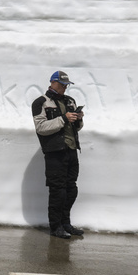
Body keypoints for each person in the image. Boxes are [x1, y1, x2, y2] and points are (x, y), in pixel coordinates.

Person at [31, 70, 85, 239]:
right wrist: (63, 118)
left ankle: (66, 223)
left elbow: (77, 128)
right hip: (55, 153)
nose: (64, 88)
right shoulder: (40, 102)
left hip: (71, 150)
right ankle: (55, 227)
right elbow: (41, 128)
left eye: (66, 85)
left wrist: (79, 118)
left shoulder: (70, 101)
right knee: (58, 191)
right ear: (52, 83)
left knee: (71, 189)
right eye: (62, 85)